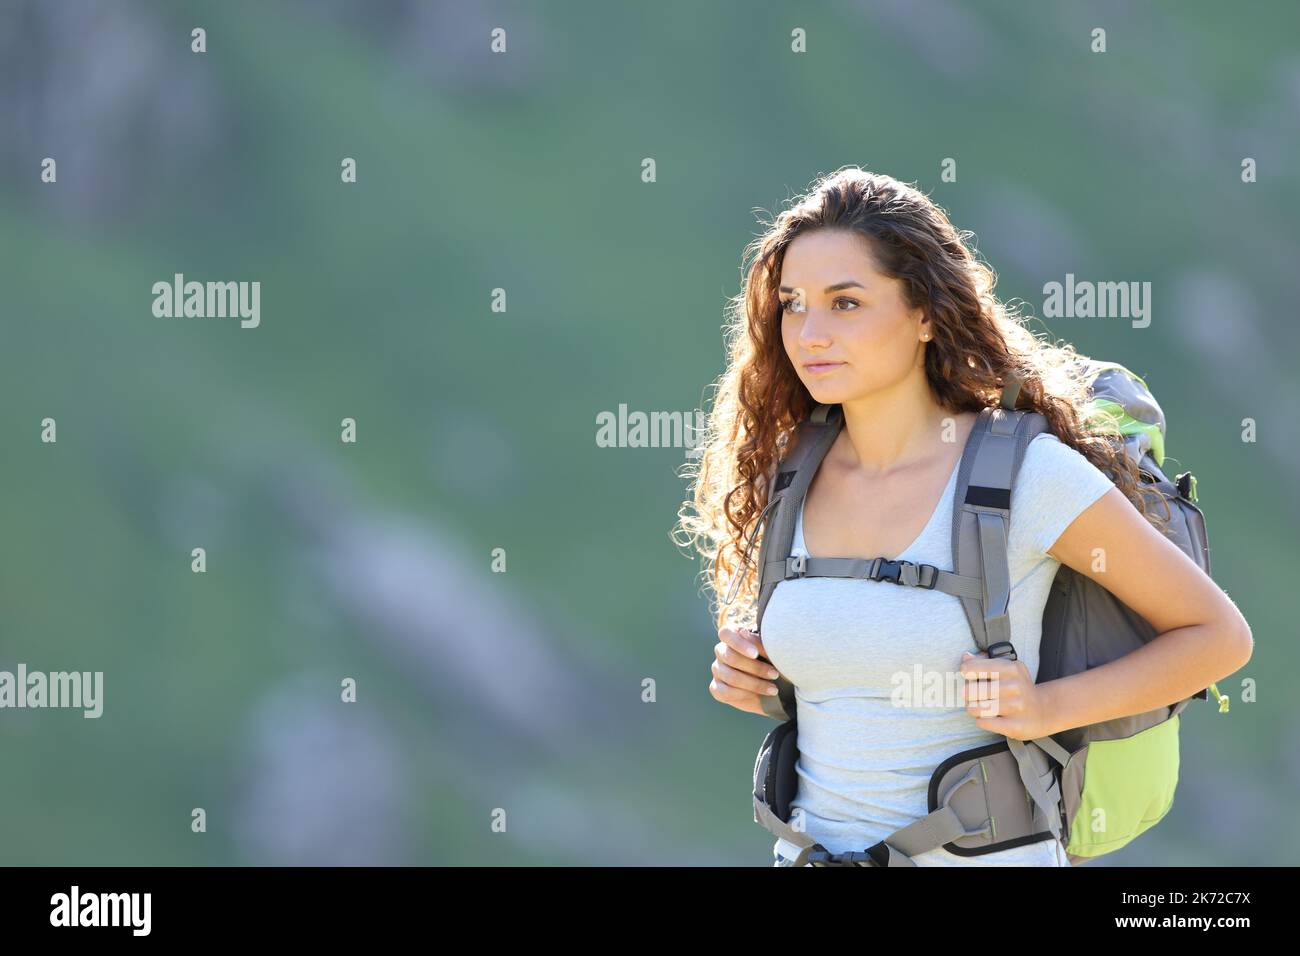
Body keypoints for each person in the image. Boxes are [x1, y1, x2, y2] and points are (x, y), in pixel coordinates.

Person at [674, 167, 1253, 866]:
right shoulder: (791, 473)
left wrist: (1045, 708)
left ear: (924, 313)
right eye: (793, 304)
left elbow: (1218, 637)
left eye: (846, 303)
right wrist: (760, 675)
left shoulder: (1024, 476)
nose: (809, 333)